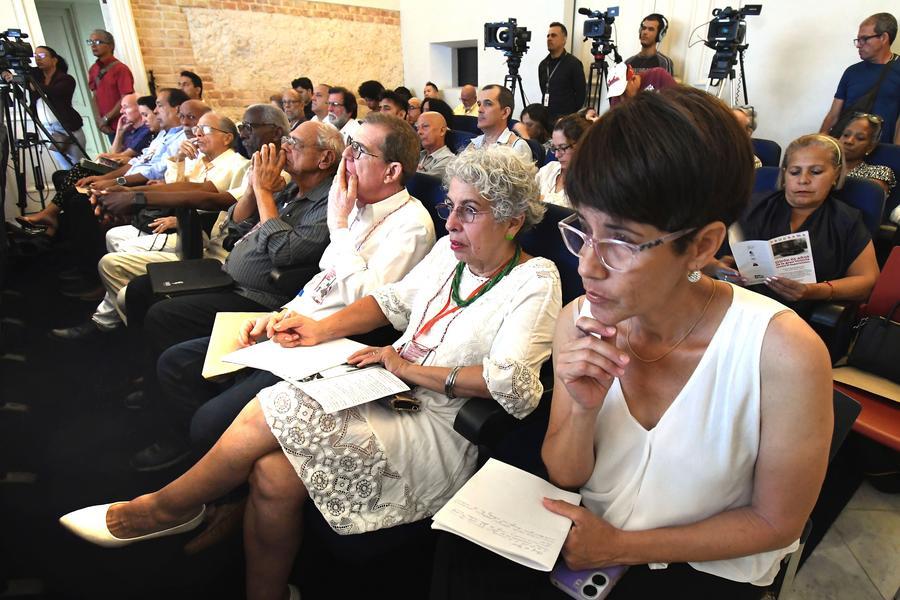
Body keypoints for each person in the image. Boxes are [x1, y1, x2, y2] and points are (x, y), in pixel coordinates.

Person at [59, 145, 560, 600]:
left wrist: (404, 365)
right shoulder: (452, 256)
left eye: (470, 211)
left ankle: (163, 510)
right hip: (390, 389)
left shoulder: (535, 279)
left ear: (512, 221)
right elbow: (391, 301)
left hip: (439, 426)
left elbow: (512, 387)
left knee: (272, 406)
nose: (450, 223)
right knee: (271, 472)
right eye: (450, 206)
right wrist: (318, 329)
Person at [432, 86, 833, 600]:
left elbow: (776, 522)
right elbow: (566, 474)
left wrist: (621, 546)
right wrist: (581, 409)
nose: (587, 266)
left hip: (704, 568)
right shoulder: (580, 320)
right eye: (584, 229)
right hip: (591, 542)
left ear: (703, 245)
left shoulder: (782, 352)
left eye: (620, 241)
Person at [134, 112, 437, 472]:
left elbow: (368, 302)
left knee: (208, 421)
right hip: (293, 321)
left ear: (391, 171)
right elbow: (322, 279)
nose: (347, 157)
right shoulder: (355, 204)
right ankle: (208, 454)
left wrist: (338, 226)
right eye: (348, 146)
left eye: (358, 150)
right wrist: (278, 315)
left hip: (331, 342)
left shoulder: (411, 225)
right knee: (175, 363)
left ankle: (214, 463)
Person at [52, 112, 250, 341]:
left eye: (204, 130)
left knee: (115, 262)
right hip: (180, 223)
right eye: (197, 129)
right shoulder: (198, 159)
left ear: (227, 138)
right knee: (114, 240)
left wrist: (134, 195)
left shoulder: (239, 165)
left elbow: (207, 196)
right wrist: (177, 160)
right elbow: (177, 186)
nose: (196, 134)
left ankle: (112, 320)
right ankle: (124, 313)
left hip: (199, 235)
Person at [720, 134, 879, 319]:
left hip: (802, 319)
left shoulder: (846, 220)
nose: (803, 180)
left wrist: (816, 291)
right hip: (738, 307)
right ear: (784, 175)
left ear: (836, 174)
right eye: (795, 172)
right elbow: (706, 260)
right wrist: (719, 268)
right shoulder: (751, 207)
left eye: (816, 172)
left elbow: (868, 281)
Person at [820, 12, 900, 144]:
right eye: (858, 40)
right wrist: (821, 143)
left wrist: (895, 153)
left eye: (864, 39)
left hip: (881, 150)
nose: (858, 45)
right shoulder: (851, 72)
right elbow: (833, 115)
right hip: (846, 147)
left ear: (883, 38)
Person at [1, 46, 85, 169]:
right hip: (48, 129)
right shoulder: (35, 76)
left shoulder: (66, 79)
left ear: (54, 60)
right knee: (66, 167)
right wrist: (6, 73)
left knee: (79, 166)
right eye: (35, 56)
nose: (38, 59)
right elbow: (22, 76)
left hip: (67, 127)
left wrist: (32, 84)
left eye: (42, 55)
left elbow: (54, 91)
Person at [86, 29, 135, 142]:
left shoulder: (120, 69)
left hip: (124, 124)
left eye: (97, 42)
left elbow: (126, 98)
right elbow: (95, 96)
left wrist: (106, 118)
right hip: (107, 126)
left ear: (110, 45)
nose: (93, 45)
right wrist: (99, 121)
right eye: (90, 42)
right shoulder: (93, 69)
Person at [535, 114, 590, 207]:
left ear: (582, 145)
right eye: (554, 148)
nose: (557, 155)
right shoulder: (548, 169)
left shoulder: (590, 184)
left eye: (563, 148)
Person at [468, 85, 532, 163]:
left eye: (488, 104)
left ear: (505, 112)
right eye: (479, 104)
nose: (480, 110)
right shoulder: (474, 143)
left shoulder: (517, 147)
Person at [538, 22, 586, 121]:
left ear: (564, 40)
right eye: (548, 36)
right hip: (546, 117)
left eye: (553, 35)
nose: (549, 38)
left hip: (566, 121)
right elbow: (543, 89)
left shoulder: (574, 64)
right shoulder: (543, 65)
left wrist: (571, 117)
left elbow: (581, 95)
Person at [840, 112, 897, 194]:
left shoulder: (878, 173)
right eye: (846, 135)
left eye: (860, 138)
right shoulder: (827, 165)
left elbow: (870, 198)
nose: (849, 141)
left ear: (870, 147)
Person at [98, 93, 153, 164]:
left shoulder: (147, 130)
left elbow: (121, 156)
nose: (121, 111)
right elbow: (113, 152)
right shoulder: (129, 131)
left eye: (125, 107)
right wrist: (119, 132)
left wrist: (104, 156)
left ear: (140, 108)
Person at [606, 63, 677, 108]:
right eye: (618, 95)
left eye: (624, 93)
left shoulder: (658, 76)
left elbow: (678, 102)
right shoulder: (616, 98)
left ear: (633, 79)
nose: (622, 99)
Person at [416, 111, 454, 177]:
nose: (419, 132)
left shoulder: (449, 161)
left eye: (425, 126)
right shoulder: (418, 154)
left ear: (442, 131)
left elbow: (426, 181)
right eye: (417, 128)